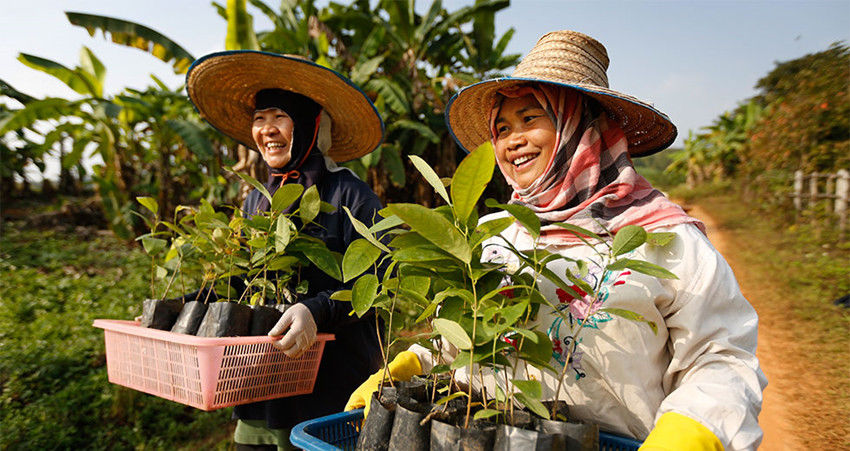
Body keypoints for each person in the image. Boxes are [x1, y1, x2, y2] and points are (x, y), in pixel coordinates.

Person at [347, 31, 767, 450]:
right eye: (503, 127)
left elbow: (721, 357)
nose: (513, 140)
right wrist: (413, 364)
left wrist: (693, 430)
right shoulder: (494, 235)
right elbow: (463, 339)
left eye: (531, 119)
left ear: (579, 126)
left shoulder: (664, 238)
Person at [186, 50, 385, 450]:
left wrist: (318, 309)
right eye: (259, 120)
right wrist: (188, 302)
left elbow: (380, 279)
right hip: (259, 382)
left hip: (329, 384)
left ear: (310, 125)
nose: (267, 130)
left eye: (280, 117)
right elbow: (243, 281)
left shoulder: (351, 195)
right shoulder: (258, 201)